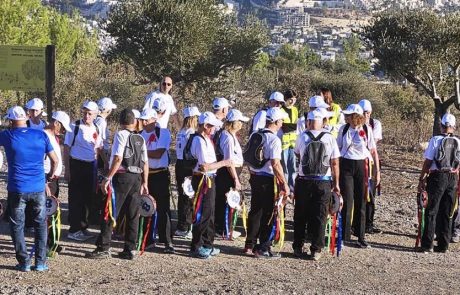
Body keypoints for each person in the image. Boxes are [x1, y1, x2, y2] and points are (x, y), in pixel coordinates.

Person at [1, 106, 58, 272]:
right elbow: (55, 160)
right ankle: (40, 262)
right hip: (38, 187)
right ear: (26, 118)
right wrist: (49, 177)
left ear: (10, 121)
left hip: (17, 188)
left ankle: (24, 261)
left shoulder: (7, 136)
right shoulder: (41, 135)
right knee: (40, 224)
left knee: (17, 225)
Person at [86, 108, 149, 260]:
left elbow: (118, 158)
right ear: (134, 122)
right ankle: (130, 248)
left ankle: (104, 247)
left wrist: (108, 178)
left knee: (111, 210)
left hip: (122, 177)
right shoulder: (140, 138)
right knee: (133, 213)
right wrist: (145, 182)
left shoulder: (121, 135)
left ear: (120, 122)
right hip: (137, 177)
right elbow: (146, 162)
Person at [292, 109, 340, 261]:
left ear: (309, 121)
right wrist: (336, 183)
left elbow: (298, 154)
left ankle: (298, 246)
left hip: (304, 180)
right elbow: (334, 162)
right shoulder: (330, 138)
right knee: (320, 215)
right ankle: (316, 249)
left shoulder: (302, 136)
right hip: (323, 180)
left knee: (300, 214)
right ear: (322, 121)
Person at [244, 107, 290, 259]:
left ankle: (249, 244)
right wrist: (284, 183)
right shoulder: (274, 139)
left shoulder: (255, 135)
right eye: (281, 120)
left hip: (255, 176)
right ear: (276, 121)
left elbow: (248, 157)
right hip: (268, 179)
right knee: (269, 213)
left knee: (255, 211)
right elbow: (275, 163)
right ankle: (263, 247)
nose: (282, 123)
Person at [189, 112, 233, 259]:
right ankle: (197, 245)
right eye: (212, 126)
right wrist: (225, 162)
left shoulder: (206, 139)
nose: (214, 129)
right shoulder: (199, 141)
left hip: (210, 179)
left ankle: (208, 243)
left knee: (210, 213)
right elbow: (204, 167)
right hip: (203, 180)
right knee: (203, 213)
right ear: (206, 126)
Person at [337, 104, 380, 248]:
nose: (345, 117)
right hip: (346, 166)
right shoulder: (343, 129)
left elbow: (373, 151)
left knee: (361, 201)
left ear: (355, 117)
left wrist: (377, 172)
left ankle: (361, 236)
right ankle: (344, 236)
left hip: (362, 165)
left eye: (348, 115)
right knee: (347, 201)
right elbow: (338, 149)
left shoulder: (366, 129)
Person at [418, 114, 460, 253]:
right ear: (454, 127)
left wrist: (422, 178)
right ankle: (443, 245)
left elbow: (428, 161)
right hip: (453, 178)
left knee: (431, 211)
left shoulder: (435, 140)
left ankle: (427, 244)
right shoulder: (458, 141)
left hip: (438, 177)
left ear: (441, 125)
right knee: (447, 212)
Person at [64, 101, 103, 241]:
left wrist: (99, 167)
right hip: (76, 165)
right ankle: (74, 230)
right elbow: (67, 148)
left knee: (88, 199)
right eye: (85, 112)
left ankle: (82, 227)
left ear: (95, 114)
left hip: (90, 166)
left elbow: (98, 149)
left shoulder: (97, 128)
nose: (86, 116)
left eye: (90, 113)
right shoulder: (74, 126)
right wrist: (67, 169)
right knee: (76, 199)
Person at [140, 108, 175, 253]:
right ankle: (147, 240)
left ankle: (167, 241)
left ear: (154, 120)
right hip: (145, 175)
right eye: (142, 119)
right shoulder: (140, 135)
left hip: (160, 174)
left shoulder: (163, 132)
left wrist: (141, 152)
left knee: (163, 208)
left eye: (146, 120)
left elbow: (159, 153)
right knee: (146, 207)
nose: (143, 122)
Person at [214, 109, 248, 238]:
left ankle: (224, 227)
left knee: (226, 199)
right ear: (233, 122)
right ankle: (223, 228)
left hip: (230, 171)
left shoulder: (229, 135)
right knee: (226, 199)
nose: (241, 124)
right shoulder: (227, 137)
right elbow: (229, 161)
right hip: (228, 172)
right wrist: (235, 179)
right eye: (239, 121)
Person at [44, 111, 72, 254]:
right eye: (62, 127)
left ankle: (52, 242)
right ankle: (45, 245)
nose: (63, 131)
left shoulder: (53, 137)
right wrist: (45, 181)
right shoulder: (44, 136)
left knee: (52, 212)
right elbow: (40, 161)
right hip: (46, 180)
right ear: (56, 123)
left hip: (53, 180)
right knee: (45, 214)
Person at [174, 106, 201, 238]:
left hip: (179, 165)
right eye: (196, 117)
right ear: (192, 118)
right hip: (187, 166)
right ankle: (186, 226)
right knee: (188, 196)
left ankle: (182, 225)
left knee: (182, 195)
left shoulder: (181, 131)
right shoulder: (191, 133)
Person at [358, 99, 383, 234]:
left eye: (367, 112)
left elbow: (372, 143)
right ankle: (356, 223)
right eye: (363, 112)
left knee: (370, 194)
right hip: (358, 161)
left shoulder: (375, 124)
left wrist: (377, 171)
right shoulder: (353, 125)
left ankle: (369, 223)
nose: (365, 115)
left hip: (371, 162)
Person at [280, 89, 299, 195]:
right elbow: (284, 127)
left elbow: (296, 125)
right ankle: (285, 187)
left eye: (294, 99)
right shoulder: (281, 110)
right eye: (291, 99)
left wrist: (292, 127)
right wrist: (293, 127)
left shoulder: (295, 110)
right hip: (283, 143)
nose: (293, 101)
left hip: (293, 143)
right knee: (285, 168)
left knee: (292, 167)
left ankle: (292, 188)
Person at [94, 97, 117, 171]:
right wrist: (105, 162)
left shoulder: (96, 119)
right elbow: (99, 144)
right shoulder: (101, 122)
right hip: (100, 156)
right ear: (108, 110)